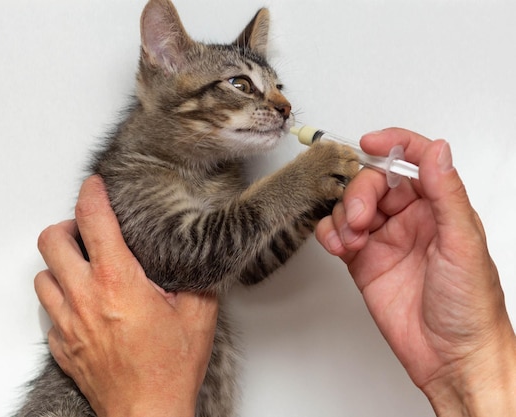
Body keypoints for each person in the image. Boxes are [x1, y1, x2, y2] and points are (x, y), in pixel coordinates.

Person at [35, 128, 516, 417]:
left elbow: (235, 265)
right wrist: (474, 360)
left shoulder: (219, 178)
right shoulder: (138, 170)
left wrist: (144, 403)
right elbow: (195, 258)